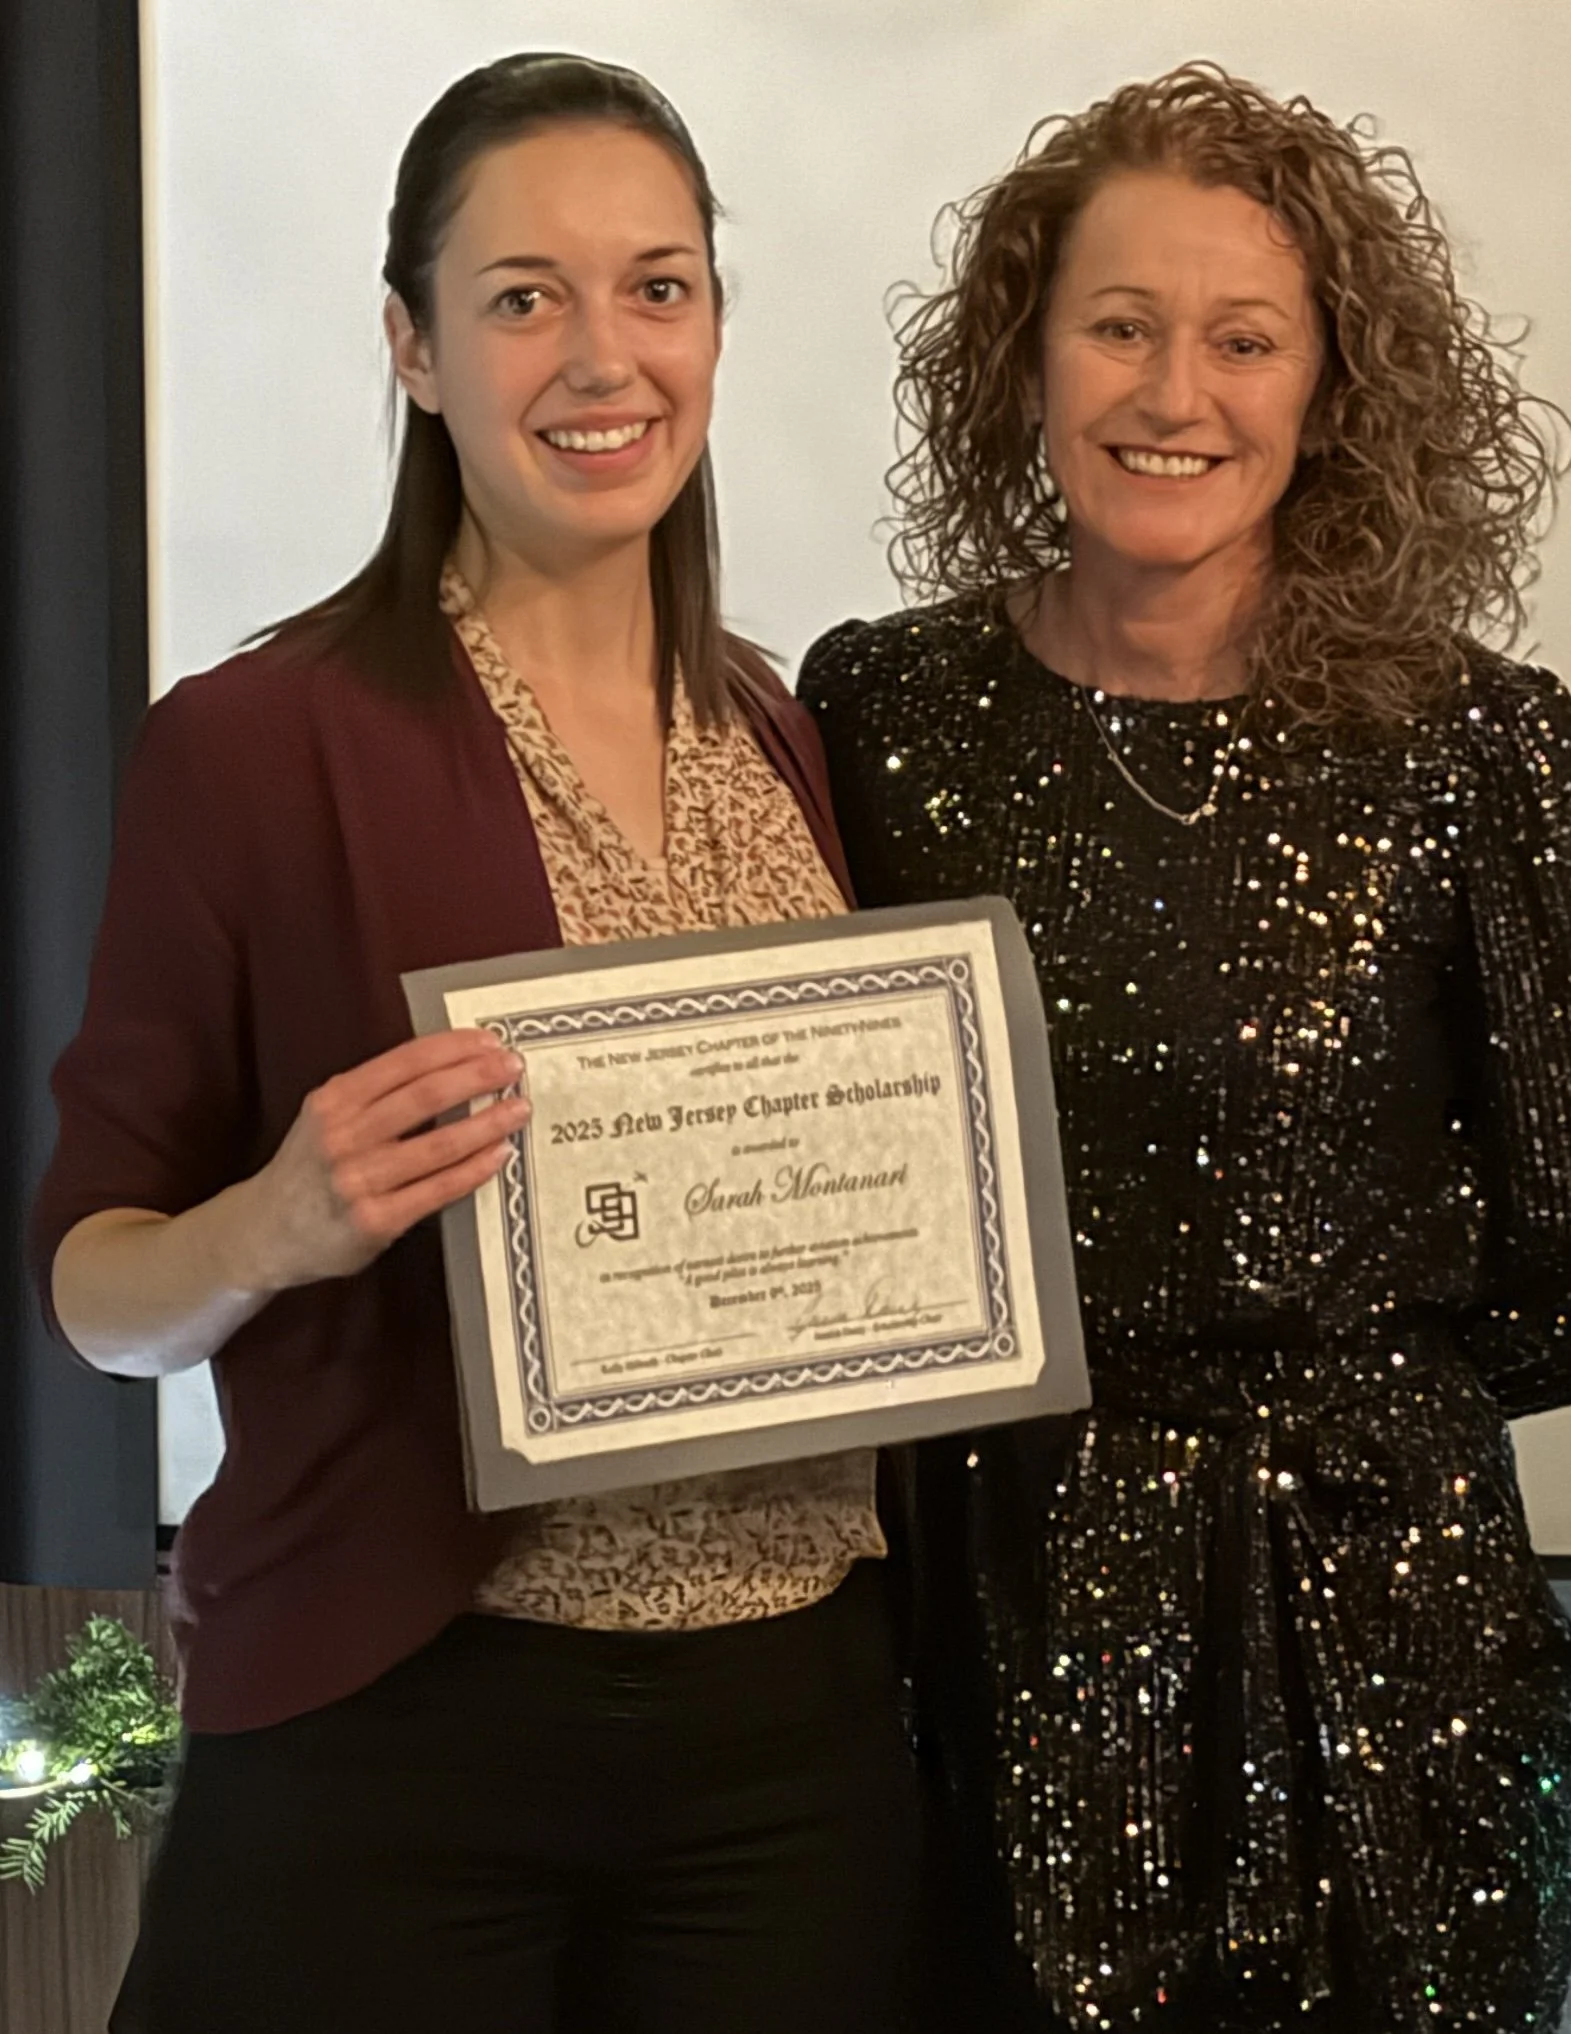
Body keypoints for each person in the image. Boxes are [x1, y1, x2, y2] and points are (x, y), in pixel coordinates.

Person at [798, 60, 1571, 2034]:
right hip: (999, 1628)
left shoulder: (1476, 744)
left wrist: (1354, 1394)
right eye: (1116, 327)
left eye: (1242, 340)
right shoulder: (883, 712)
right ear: (1020, 361)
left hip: (1384, 1653)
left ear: (1329, 389)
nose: (1172, 394)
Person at [36, 54, 918, 2034]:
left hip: (792, 1736)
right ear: (414, 347)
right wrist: (272, 1224)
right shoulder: (255, 745)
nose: (603, 355)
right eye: (525, 295)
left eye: (657, 287)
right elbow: (96, 1292)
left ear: (711, 326)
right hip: (402, 1726)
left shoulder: (784, 734)